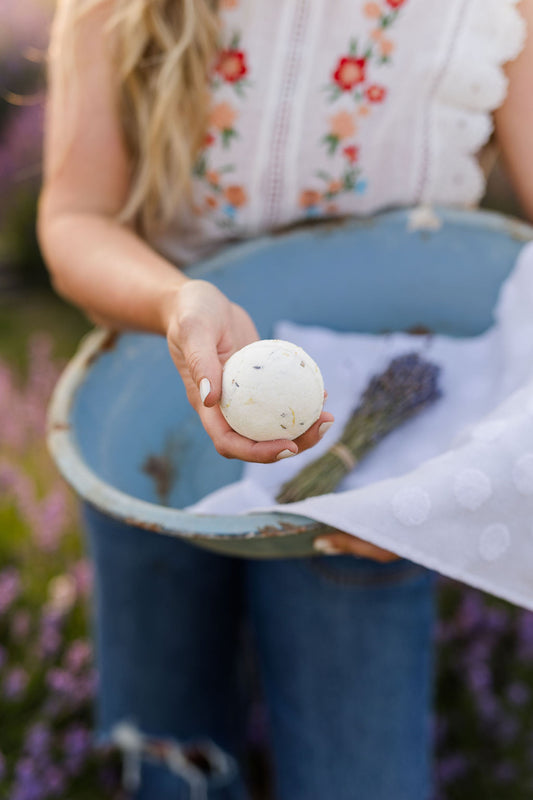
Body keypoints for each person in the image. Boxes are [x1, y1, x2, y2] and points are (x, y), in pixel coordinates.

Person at [38, 0, 530, 798]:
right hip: (155, 444)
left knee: (357, 777)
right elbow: (74, 216)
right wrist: (177, 302)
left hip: (377, 457)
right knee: (172, 761)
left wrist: (451, 489)